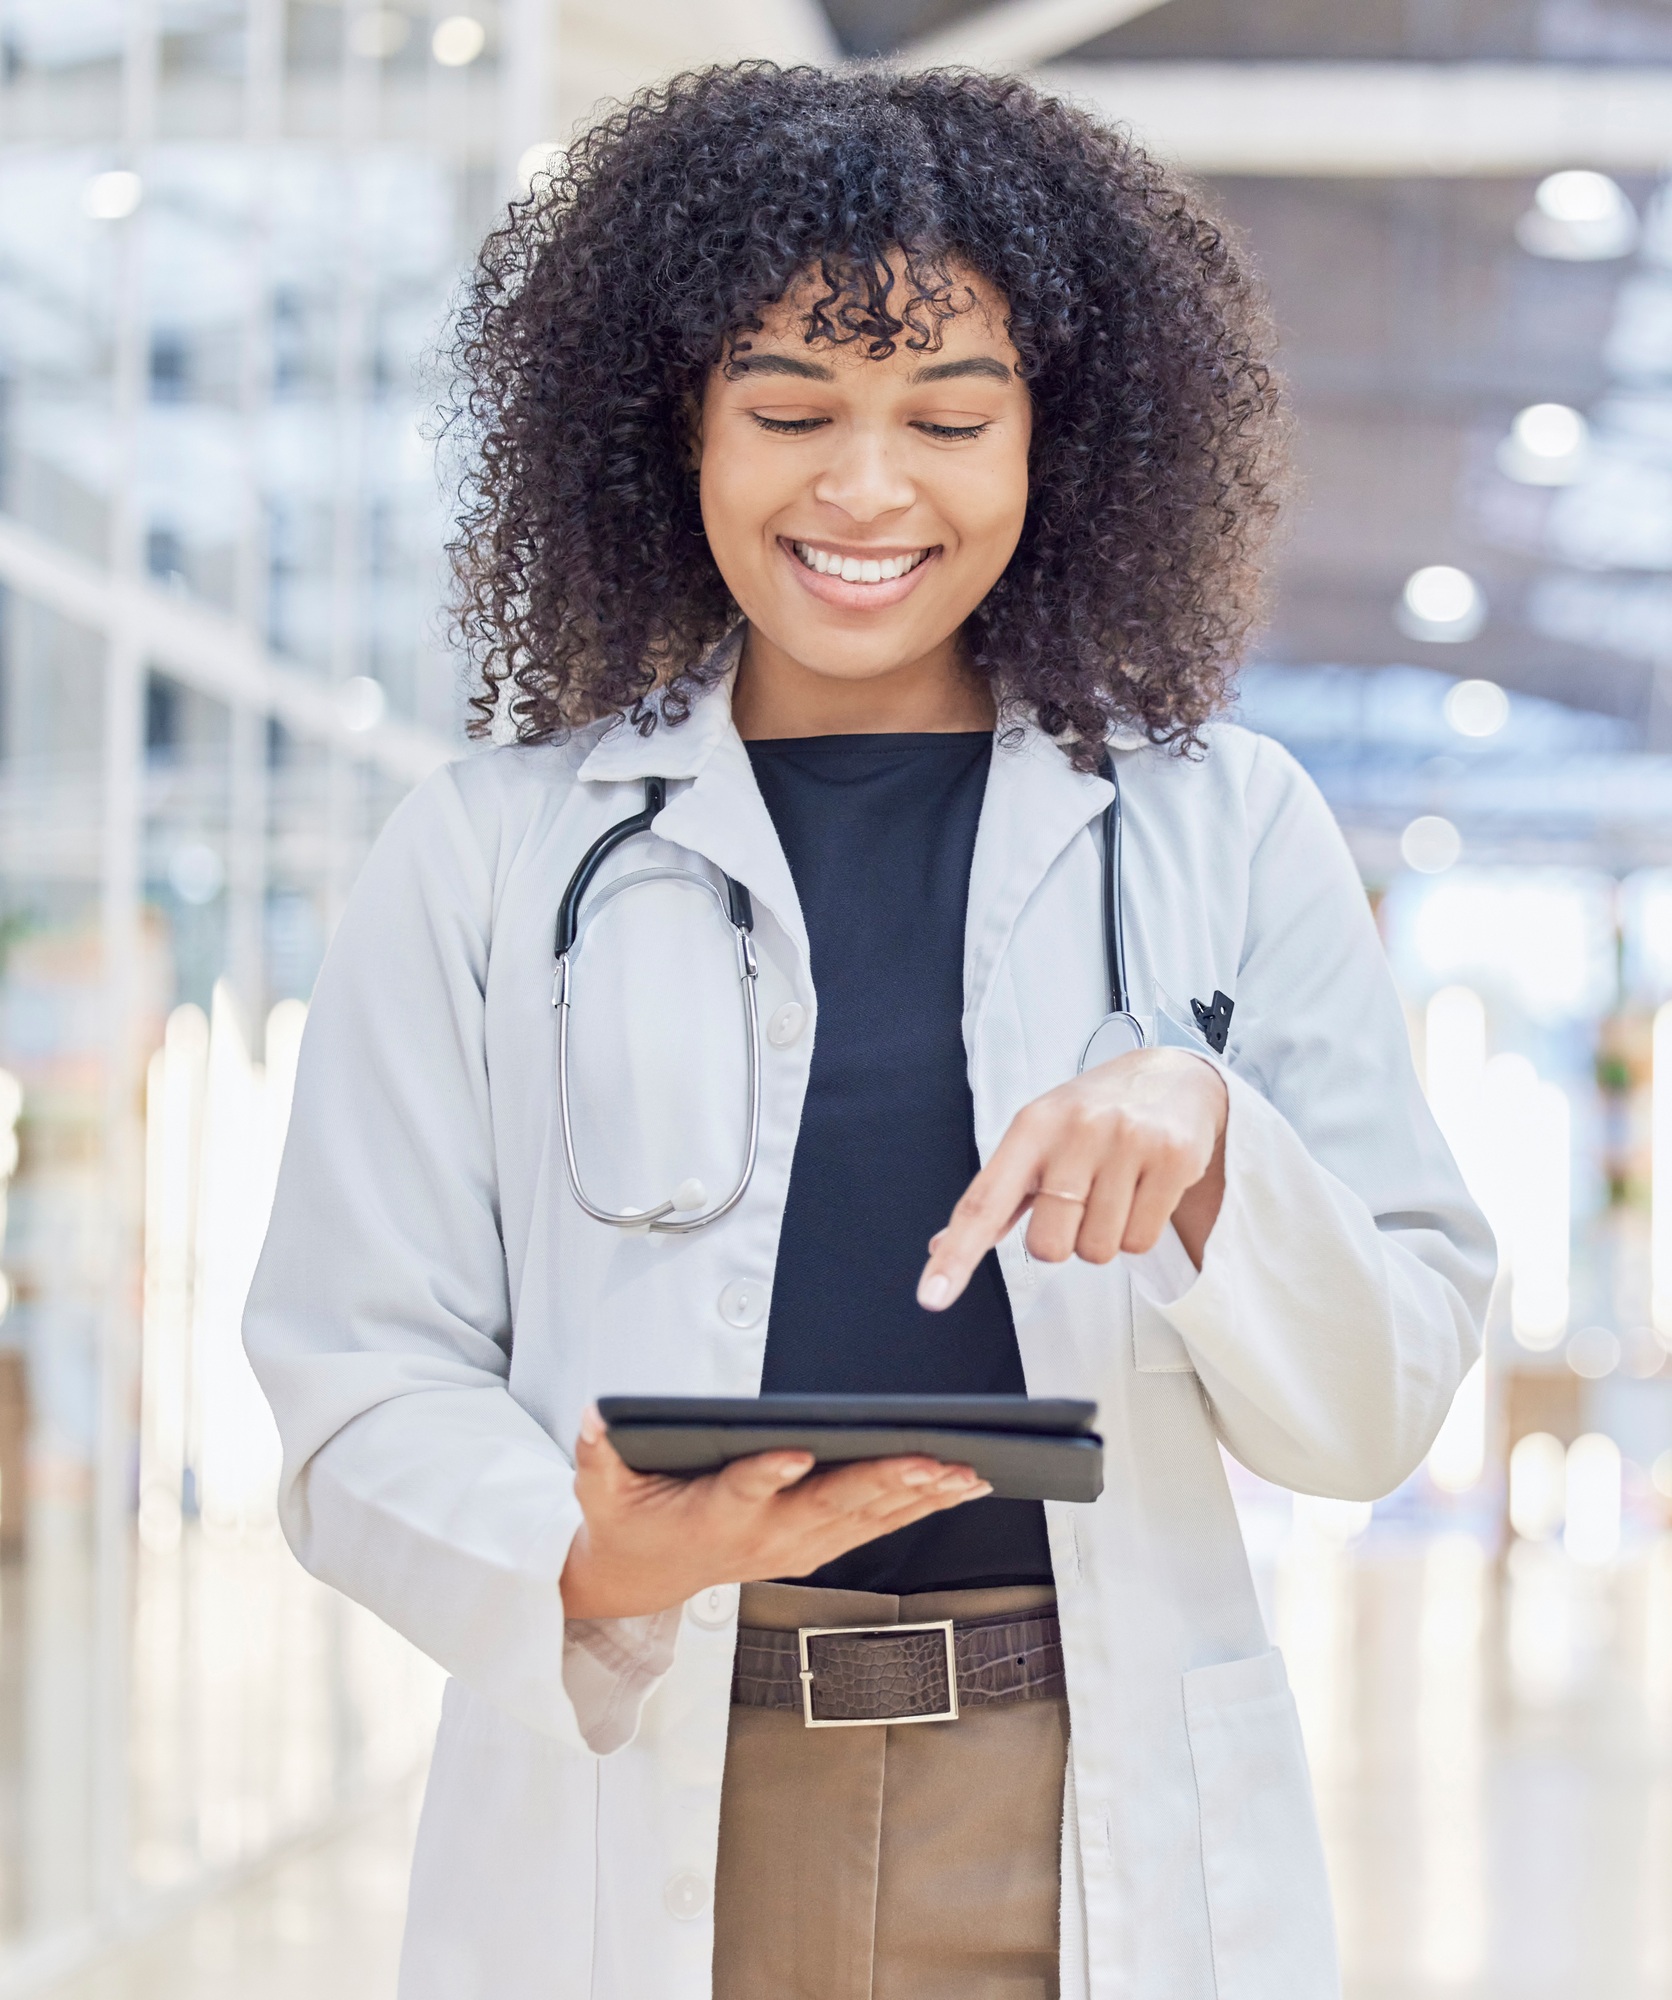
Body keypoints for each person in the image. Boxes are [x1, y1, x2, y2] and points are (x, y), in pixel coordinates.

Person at [244, 64, 1493, 2000]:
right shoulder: (488, 851)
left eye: (946, 416)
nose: (861, 487)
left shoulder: (1219, 822)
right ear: (675, 431)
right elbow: (354, 1364)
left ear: (1049, 446)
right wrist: (586, 1564)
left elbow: (1369, 1406)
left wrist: (1216, 1138)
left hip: (1077, 1798)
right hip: (653, 1783)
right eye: (789, 411)